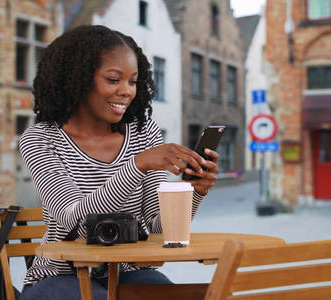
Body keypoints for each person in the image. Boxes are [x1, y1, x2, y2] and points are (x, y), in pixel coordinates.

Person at [19, 25, 220, 300]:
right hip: (60, 276)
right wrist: (137, 166)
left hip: (127, 272)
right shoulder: (41, 139)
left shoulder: (143, 132)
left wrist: (194, 191)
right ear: (78, 80)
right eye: (113, 79)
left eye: (133, 81)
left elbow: (158, 227)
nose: (126, 91)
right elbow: (73, 218)